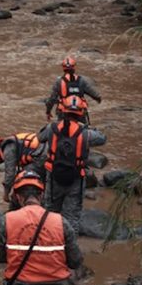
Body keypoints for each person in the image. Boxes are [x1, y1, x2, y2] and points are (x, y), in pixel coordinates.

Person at [33, 98, 105, 232]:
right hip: (76, 179)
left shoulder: (52, 128)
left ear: (61, 111)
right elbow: (102, 139)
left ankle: (48, 244)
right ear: (81, 113)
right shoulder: (86, 133)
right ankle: (68, 249)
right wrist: (87, 126)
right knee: (72, 218)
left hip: (54, 178)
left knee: (50, 212)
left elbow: (38, 138)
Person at [0, 132, 41, 208]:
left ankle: (17, 209)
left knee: (23, 181)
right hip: (45, 154)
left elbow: (10, 174)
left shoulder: (8, 148)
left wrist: (6, 194)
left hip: (41, 157)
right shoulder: (16, 141)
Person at [44, 56, 102, 124]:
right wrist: (98, 99)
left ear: (63, 68)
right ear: (74, 67)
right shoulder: (81, 80)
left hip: (63, 114)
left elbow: (52, 99)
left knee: (61, 131)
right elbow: (95, 95)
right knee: (84, 129)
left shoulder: (59, 82)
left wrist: (48, 112)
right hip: (79, 113)